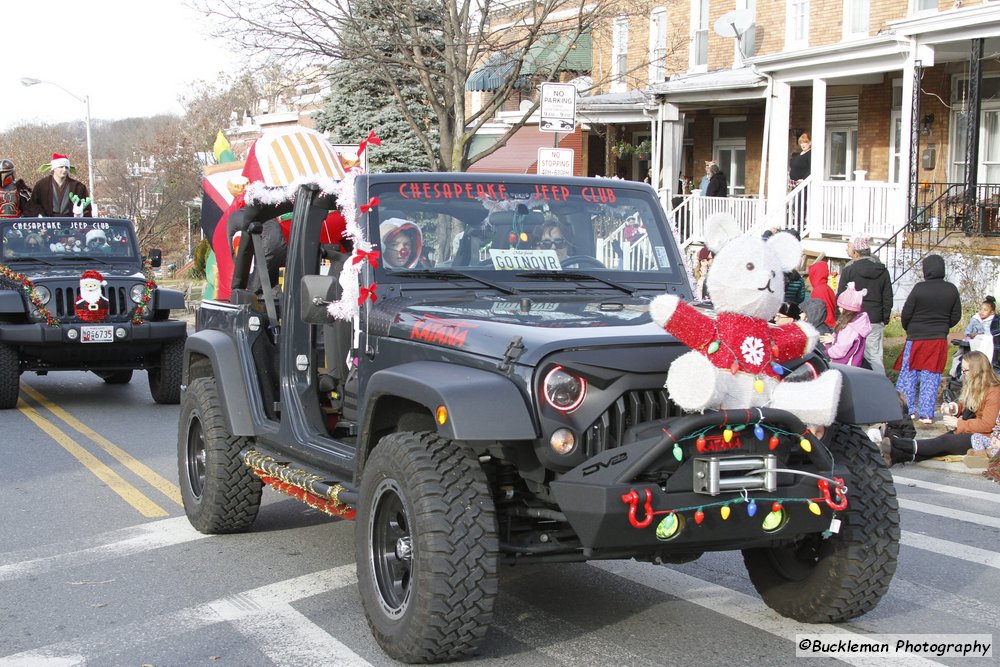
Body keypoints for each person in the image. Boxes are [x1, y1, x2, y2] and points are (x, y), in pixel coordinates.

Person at [882, 351, 1000, 465]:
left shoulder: (994, 392)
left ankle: (897, 444)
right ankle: (896, 457)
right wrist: (955, 408)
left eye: (965, 370)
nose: (962, 374)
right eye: (962, 370)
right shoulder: (978, 386)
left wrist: (959, 423)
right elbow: (968, 405)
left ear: (977, 371)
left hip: (987, 438)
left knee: (944, 443)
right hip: (974, 431)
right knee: (939, 445)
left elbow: (988, 425)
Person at [893, 254, 962, 424]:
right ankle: (926, 414)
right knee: (931, 377)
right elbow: (956, 316)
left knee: (909, 375)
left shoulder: (919, 288)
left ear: (926, 270)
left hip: (916, 337)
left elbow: (906, 313)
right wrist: (943, 326)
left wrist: (909, 328)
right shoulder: (951, 289)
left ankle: (907, 411)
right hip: (938, 339)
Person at [837, 235, 892, 374]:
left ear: (855, 253)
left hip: (853, 318)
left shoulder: (849, 270)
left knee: (851, 352)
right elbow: (887, 297)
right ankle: (880, 385)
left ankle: (854, 383)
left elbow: (840, 297)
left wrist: (841, 317)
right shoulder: (882, 271)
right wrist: (884, 318)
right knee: (874, 355)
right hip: (874, 317)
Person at [820, 282, 871, 367]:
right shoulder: (856, 323)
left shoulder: (849, 328)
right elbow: (847, 342)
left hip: (844, 365)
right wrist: (833, 340)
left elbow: (839, 351)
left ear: (847, 310)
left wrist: (826, 351)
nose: (839, 309)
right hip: (853, 364)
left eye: (841, 307)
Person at [27, 154, 92, 217]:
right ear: (54, 168)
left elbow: (87, 209)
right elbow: (33, 205)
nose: (64, 170)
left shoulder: (78, 187)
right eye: (61, 167)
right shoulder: (42, 185)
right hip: (48, 223)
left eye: (66, 167)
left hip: (70, 224)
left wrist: (79, 214)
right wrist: (40, 215)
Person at [807, 258, 838, 329]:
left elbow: (816, 312)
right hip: (830, 323)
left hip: (823, 325)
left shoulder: (818, 290)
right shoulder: (827, 288)